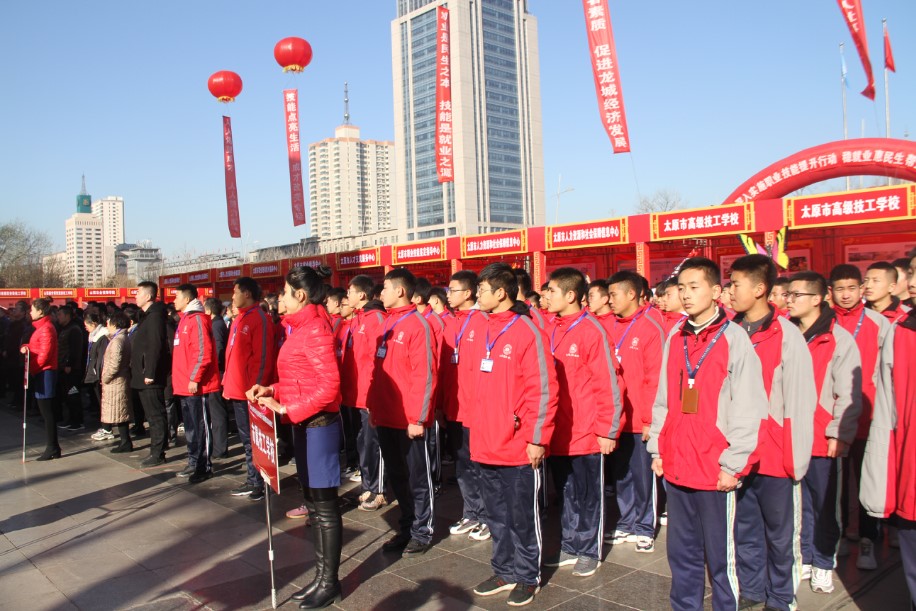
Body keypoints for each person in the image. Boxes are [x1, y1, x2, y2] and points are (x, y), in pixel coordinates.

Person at [647, 257, 768, 611]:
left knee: (720, 557)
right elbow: (663, 399)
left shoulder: (734, 339)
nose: (685, 295)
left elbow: (749, 407)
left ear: (716, 291)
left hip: (715, 468)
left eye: (693, 287)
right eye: (681, 288)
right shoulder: (676, 336)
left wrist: (733, 464)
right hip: (677, 463)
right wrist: (658, 449)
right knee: (682, 554)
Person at [250, 266, 343, 609]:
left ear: (300, 295)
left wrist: (288, 408)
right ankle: (321, 577)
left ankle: (329, 582)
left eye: (285, 293)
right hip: (304, 423)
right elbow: (300, 377)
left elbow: (329, 386)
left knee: (324, 507)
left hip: (318, 425)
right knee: (314, 507)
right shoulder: (300, 327)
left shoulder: (315, 329)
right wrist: (272, 390)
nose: (281, 299)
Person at [729, 255, 817, 610]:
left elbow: (800, 399)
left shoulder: (786, 335)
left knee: (781, 534)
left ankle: (781, 597)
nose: (730, 291)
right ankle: (752, 589)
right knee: (745, 528)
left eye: (736, 284)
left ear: (759, 288)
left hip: (775, 453)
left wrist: (794, 455)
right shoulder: (730, 331)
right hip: (739, 451)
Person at [468, 262, 557, 607]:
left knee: (522, 516)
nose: (477, 296)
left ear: (501, 292)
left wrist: (537, 437)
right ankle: (503, 570)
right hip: (485, 440)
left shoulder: (527, 331)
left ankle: (527, 576)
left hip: (517, 443)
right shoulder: (480, 325)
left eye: (482, 290)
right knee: (496, 515)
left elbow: (543, 389)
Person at [543, 267, 621, 577]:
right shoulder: (550, 327)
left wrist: (607, 429)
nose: (546, 296)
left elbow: (608, 383)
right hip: (558, 430)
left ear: (571, 295)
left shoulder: (591, 331)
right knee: (566, 492)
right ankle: (570, 544)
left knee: (589, 494)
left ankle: (589, 549)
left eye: (552, 291)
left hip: (586, 430)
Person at [788, 271, 862, 594]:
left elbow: (847, 392)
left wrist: (839, 432)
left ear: (817, 299)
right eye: (788, 295)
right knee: (798, 503)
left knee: (825, 505)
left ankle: (823, 562)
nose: (789, 300)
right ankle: (804, 556)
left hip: (822, 437)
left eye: (796, 295)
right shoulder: (786, 333)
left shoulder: (838, 339)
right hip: (791, 435)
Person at [369, 269, 438, 557]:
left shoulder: (418, 325)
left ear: (400, 291)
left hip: (409, 420)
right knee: (398, 477)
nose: (381, 293)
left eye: (385, 288)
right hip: (386, 415)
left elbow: (425, 375)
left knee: (417, 479)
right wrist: (374, 407)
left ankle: (422, 530)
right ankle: (407, 527)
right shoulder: (387, 324)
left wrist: (417, 418)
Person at [860, 269, 916, 607]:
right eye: (913, 273)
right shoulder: (901, 331)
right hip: (910, 468)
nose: (914, 282)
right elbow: (886, 411)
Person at [830, 263, 890, 570]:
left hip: (869, 414)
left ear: (861, 289)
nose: (846, 295)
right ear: (830, 291)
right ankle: (838, 536)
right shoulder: (825, 321)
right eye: (840, 289)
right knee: (837, 484)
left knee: (868, 480)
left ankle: (868, 540)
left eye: (852, 288)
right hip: (835, 416)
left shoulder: (879, 323)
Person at [604, 270, 664, 554]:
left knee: (643, 477)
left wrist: (650, 419)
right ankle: (627, 521)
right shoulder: (609, 325)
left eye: (613, 294)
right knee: (622, 474)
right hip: (619, 418)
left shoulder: (651, 326)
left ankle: (644, 526)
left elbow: (655, 378)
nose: (610, 300)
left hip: (641, 418)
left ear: (631, 294)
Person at [442, 270, 491, 541]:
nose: (448, 295)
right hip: (455, 407)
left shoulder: (483, 321)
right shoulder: (449, 322)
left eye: (453, 290)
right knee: (462, 465)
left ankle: (487, 517)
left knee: (480, 465)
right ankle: (471, 512)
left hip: (477, 408)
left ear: (468, 293)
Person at [223, 276, 276, 501]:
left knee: (254, 440)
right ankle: (252, 478)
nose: (232, 296)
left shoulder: (259, 318)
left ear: (247, 294)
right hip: (237, 389)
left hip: (250, 391)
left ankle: (258, 482)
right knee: (246, 439)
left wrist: (257, 386)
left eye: (235, 292)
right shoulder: (240, 318)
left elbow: (263, 357)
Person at [341, 275, 388, 511]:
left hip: (369, 395)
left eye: (349, 292)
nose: (346, 296)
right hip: (356, 394)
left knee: (374, 444)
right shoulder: (358, 318)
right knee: (363, 443)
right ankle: (369, 486)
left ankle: (379, 490)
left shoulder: (376, 319)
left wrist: (373, 394)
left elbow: (376, 361)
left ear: (361, 295)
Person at [172, 284, 220, 484]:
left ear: (186, 299)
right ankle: (193, 461)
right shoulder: (185, 319)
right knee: (191, 428)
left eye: (176, 297)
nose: (174, 301)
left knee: (200, 426)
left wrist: (195, 377)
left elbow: (203, 352)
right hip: (184, 384)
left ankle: (204, 466)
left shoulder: (197, 319)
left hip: (195, 385)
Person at [130, 281, 172, 467]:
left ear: (148, 296)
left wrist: (150, 372)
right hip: (142, 373)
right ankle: (156, 450)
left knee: (156, 415)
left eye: (138, 293)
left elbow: (156, 345)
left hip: (150, 375)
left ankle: (158, 452)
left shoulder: (155, 317)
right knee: (151, 415)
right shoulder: (147, 316)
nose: (135, 296)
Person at [21, 298, 60, 460]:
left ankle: (52, 447)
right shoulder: (41, 328)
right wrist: (26, 348)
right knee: (45, 411)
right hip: (41, 371)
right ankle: (53, 446)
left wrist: (32, 369)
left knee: (47, 412)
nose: (30, 312)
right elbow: (37, 347)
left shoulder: (46, 328)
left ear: (40, 311)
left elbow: (44, 355)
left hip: (45, 372)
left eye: (33, 310)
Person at [103, 310, 134, 454]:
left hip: (116, 381)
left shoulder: (117, 341)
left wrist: (106, 378)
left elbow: (115, 364)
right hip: (119, 380)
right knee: (120, 413)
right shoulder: (122, 338)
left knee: (120, 413)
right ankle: (124, 441)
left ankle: (125, 442)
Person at [204, 297, 230, 459]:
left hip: (217, 373)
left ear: (208, 311)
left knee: (217, 411)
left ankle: (220, 448)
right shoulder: (217, 324)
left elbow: (219, 349)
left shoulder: (216, 325)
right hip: (218, 372)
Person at [56, 305, 86, 430]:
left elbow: (75, 350)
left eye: (60, 315)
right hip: (63, 367)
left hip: (72, 369)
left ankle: (77, 421)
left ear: (67, 316)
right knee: (67, 396)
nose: (58, 317)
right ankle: (70, 419)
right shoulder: (63, 329)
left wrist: (69, 364)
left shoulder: (74, 329)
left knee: (73, 394)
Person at [84, 311, 111, 440]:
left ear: (94, 324)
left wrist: (99, 374)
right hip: (94, 372)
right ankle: (105, 426)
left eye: (87, 325)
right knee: (99, 401)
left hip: (99, 375)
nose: (85, 328)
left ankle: (107, 428)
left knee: (103, 402)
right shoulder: (92, 336)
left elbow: (101, 358)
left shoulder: (103, 336)